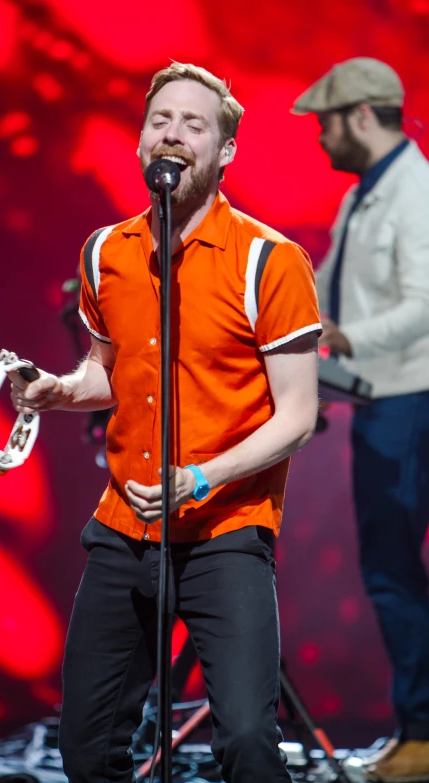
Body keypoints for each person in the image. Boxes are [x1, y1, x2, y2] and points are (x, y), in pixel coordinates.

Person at [11, 62, 320, 783]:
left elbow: (299, 415)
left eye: (193, 124)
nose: (172, 135)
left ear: (226, 149)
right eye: (160, 120)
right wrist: (60, 390)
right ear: (140, 138)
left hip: (224, 529)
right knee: (87, 748)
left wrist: (200, 476)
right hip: (125, 528)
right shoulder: (106, 251)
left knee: (244, 739)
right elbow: (107, 372)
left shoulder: (268, 261)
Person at [292, 57, 429, 783]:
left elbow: (425, 304)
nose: (320, 137)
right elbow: (326, 288)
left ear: (364, 116)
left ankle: (424, 734)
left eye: (327, 123)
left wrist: (345, 340)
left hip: (411, 403)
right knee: (390, 567)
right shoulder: (365, 197)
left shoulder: (414, 193)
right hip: (381, 402)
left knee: (394, 571)